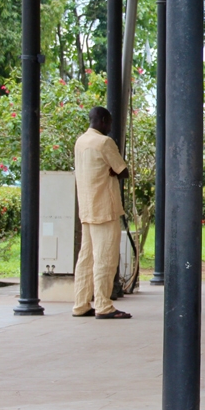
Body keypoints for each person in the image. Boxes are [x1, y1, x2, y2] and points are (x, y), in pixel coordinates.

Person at [71, 107, 131, 319]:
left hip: (87, 208)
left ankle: (81, 303)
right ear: (104, 120)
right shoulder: (104, 143)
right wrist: (114, 171)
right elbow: (123, 170)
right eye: (110, 122)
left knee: (86, 258)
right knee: (105, 257)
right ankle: (103, 305)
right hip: (105, 209)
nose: (110, 127)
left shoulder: (81, 141)